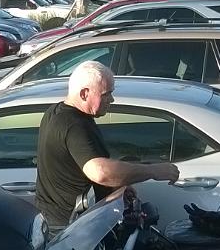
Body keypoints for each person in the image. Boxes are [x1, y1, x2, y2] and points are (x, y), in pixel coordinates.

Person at [35, 61, 180, 232]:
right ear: (84, 94)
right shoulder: (75, 125)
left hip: (59, 222)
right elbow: (100, 172)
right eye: (106, 94)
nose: (111, 99)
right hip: (71, 229)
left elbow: (75, 168)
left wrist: (114, 187)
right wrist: (153, 171)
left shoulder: (55, 112)